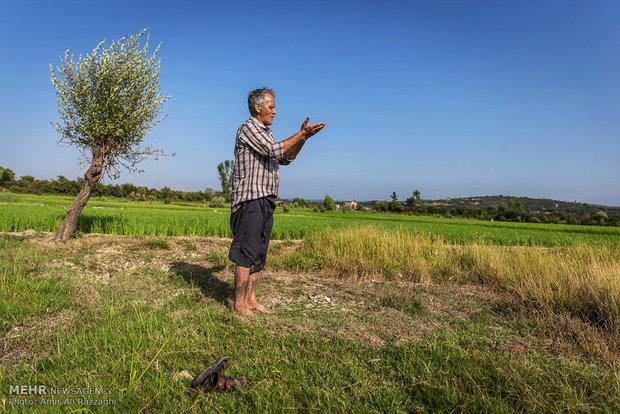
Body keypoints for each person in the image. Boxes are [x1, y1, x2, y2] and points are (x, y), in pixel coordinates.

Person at [228, 87, 326, 317]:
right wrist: (300, 135)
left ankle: (251, 299)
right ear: (257, 107)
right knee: (246, 252)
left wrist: (304, 138)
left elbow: (286, 157)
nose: (275, 111)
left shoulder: (266, 132)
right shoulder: (248, 128)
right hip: (250, 199)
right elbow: (273, 150)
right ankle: (239, 304)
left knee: (259, 253)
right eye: (271, 107)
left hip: (266, 199)